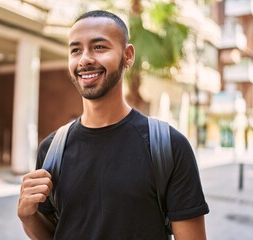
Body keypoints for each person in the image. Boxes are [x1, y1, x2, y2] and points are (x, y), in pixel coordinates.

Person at [18, 10, 209, 240]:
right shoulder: (51, 150)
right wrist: (28, 217)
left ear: (128, 56)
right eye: (75, 50)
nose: (85, 59)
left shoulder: (169, 146)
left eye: (99, 47)